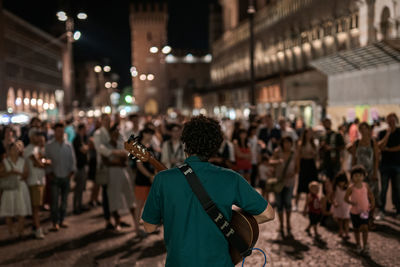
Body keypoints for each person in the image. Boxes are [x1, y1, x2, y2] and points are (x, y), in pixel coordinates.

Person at [141, 115, 275, 267]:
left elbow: (149, 226)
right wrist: (232, 223)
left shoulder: (163, 179)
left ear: (185, 143)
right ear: (215, 146)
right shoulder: (230, 178)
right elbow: (268, 213)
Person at [93, 114, 126, 230]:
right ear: (101, 121)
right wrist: (115, 153)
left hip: (116, 167)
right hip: (106, 167)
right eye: (105, 120)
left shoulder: (113, 131)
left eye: (108, 120)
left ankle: (117, 217)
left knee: (116, 193)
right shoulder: (98, 133)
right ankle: (108, 219)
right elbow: (100, 148)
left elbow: (122, 144)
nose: (107, 122)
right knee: (106, 194)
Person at [105, 125, 140, 233]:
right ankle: (117, 222)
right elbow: (106, 160)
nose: (116, 134)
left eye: (117, 131)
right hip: (112, 173)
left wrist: (117, 159)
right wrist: (117, 159)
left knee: (129, 195)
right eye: (114, 132)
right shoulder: (106, 145)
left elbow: (125, 157)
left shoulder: (121, 143)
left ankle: (136, 221)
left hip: (123, 172)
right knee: (113, 197)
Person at [45, 123, 76, 231]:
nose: (60, 133)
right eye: (58, 131)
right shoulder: (49, 145)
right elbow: (46, 160)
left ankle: (62, 219)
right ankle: (55, 222)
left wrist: (71, 173)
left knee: (64, 201)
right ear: (55, 132)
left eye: (62, 131)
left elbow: (72, 160)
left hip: (66, 177)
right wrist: (49, 173)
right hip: (55, 177)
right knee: (54, 202)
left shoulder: (68, 145)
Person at [347, 122, 379, 224]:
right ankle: (363, 218)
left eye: (365, 128)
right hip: (359, 174)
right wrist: (352, 173)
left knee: (372, 196)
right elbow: (353, 158)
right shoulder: (356, 143)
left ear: (369, 130)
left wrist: (375, 172)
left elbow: (376, 159)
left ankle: (371, 218)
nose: (363, 131)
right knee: (361, 196)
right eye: (361, 129)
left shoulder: (372, 142)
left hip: (370, 172)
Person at [0, 142, 31, 238]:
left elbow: (26, 174)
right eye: (13, 149)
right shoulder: (4, 162)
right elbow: (1, 174)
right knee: (9, 211)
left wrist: (20, 174)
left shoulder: (23, 161)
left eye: (17, 149)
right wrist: (11, 172)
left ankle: (20, 230)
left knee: (22, 210)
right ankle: (10, 230)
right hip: (9, 188)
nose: (15, 151)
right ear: (9, 151)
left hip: (21, 187)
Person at [24, 131, 50, 239]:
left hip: (40, 180)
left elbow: (43, 161)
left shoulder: (37, 148)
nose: (38, 137)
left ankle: (36, 226)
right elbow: (39, 163)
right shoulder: (29, 149)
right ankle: (37, 229)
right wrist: (44, 162)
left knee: (37, 206)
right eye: (36, 135)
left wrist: (44, 162)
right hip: (34, 181)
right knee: (35, 207)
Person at [269, 136, 296, 238]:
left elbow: (297, 168)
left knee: (288, 202)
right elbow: (270, 162)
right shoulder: (277, 152)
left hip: (289, 182)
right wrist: (278, 161)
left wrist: (292, 174)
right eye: (285, 143)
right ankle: (281, 224)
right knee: (279, 203)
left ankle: (288, 223)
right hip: (278, 182)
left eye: (288, 143)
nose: (287, 145)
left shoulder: (294, 154)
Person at [345, 165, 375, 255]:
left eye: (360, 176)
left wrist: (373, 203)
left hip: (365, 211)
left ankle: (365, 245)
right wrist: (351, 203)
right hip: (354, 212)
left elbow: (370, 195)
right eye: (356, 176)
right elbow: (345, 198)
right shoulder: (351, 188)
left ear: (363, 176)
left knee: (365, 227)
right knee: (356, 229)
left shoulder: (366, 186)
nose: (358, 178)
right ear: (352, 177)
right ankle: (358, 245)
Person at [378, 113, 400, 219]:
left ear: (396, 121)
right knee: (384, 189)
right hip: (385, 165)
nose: (391, 123)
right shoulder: (382, 133)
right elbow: (380, 146)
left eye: (393, 120)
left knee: (397, 188)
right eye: (389, 121)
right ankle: (382, 210)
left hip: (397, 164)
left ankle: (398, 209)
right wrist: (387, 134)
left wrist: (388, 149)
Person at [134, 127, 158, 227]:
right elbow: (139, 165)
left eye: (151, 134)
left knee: (148, 203)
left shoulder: (150, 146)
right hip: (142, 179)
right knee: (139, 204)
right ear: (143, 133)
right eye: (148, 133)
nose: (150, 136)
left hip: (151, 178)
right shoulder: (138, 147)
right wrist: (150, 176)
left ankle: (148, 225)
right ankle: (136, 227)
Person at [295, 128, 318, 211]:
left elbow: (316, 156)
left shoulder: (313, 143)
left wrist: (314, 155)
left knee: (311, 184)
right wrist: (298, 167)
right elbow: (298, 156)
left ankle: (308, 205)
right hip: (304, 164)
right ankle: (296, 204)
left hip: (311, 164)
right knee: (301, 184)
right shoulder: (301, 144)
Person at [72, 123, 89, 214]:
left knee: (81, 187)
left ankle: (80, 205)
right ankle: (76, 207)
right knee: (78, 188)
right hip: (79, 166)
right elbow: (84, 149)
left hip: (83, 165)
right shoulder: (77, 139)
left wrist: (86, 147)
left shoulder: (83, 138)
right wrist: (86, 148)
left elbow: (86, 148)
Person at [332, 172, 350, 239]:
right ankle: (341, 231)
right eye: (340, 182)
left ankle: (347, 233)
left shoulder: (347, 188)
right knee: (340, 219)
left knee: (347, 219)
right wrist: (334, 202)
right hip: (339, 205)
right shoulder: (336, 188)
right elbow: (332, 197)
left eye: (342, 182)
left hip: (346, 206)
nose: (341, 183)